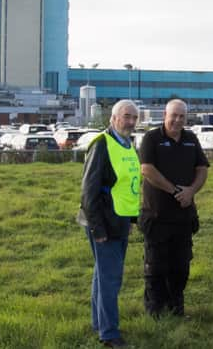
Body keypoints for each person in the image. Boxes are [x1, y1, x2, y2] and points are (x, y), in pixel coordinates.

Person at [77, 100, 141, 348]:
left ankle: (99, 324)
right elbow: (88, 191)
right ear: (113, 118)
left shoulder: (127, 144)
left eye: (135, 118)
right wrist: (97, 228)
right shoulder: (102, 145)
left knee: (103, 276)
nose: (131, 122)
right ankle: (110, 334)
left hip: (121, 219)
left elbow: (128, 186)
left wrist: (132, 219)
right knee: (111, 279)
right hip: (104, 222)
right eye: (126, 116)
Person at [138, 99, 209, 318]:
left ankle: (176, 308)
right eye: (174, 116)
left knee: (181, 266)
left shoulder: (190, 139)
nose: (177, 120)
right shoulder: (152, 138)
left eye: (182, 117)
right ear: (164, 115)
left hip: (183, 217)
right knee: (156, 267)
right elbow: (146, 169)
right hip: (157, 215)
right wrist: (174, 190)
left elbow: (202, 168)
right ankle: (155, 311)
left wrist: (190, 191)